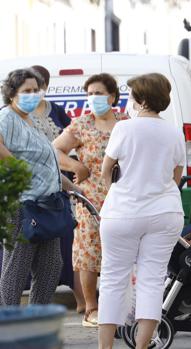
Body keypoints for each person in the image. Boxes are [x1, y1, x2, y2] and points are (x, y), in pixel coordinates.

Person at [97, 73, 185, 349]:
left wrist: (121, 188)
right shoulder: (174, 132)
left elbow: (104, 172)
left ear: (142, 100)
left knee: (113, 279)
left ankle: (104, 348)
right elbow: (177, 176)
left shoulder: (125, 129)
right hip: (165, 213)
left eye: (132, 95)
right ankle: (143, 345)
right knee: (152, 280)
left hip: (123, 212)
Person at [0, 68, 81, 306]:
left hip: (47, 204)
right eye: (27, 90)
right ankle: (8, 324)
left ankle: (37, 323)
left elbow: (47, 162)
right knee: (17, 267)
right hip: (22, 204)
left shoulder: (32, 120)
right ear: (12, 93)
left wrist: (72, 187)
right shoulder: (7, 117)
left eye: (36, 90)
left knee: (50, 266)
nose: (33, 94)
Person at [53, 73, 128, 327]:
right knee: (88, 251)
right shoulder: (81, 124)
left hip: (122, 197)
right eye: (90, 94)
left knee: (118, 253)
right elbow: (54, 149)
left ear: (113, 96)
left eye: (99, 93)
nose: (94, 98)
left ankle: (118, 306)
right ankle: (91, 308)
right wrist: (75, 165)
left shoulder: (126, 123)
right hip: (90, 198)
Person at [29, 65, 87, 314]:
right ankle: (12, 320)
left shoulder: (57, 111)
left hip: (57, 192)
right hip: (27, 198)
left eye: (39, 86)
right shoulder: (11, 117)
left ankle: (81, 302)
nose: (36, 91)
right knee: (19, 262)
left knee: (59, 253)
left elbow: (66, 145)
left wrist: (72, 182)